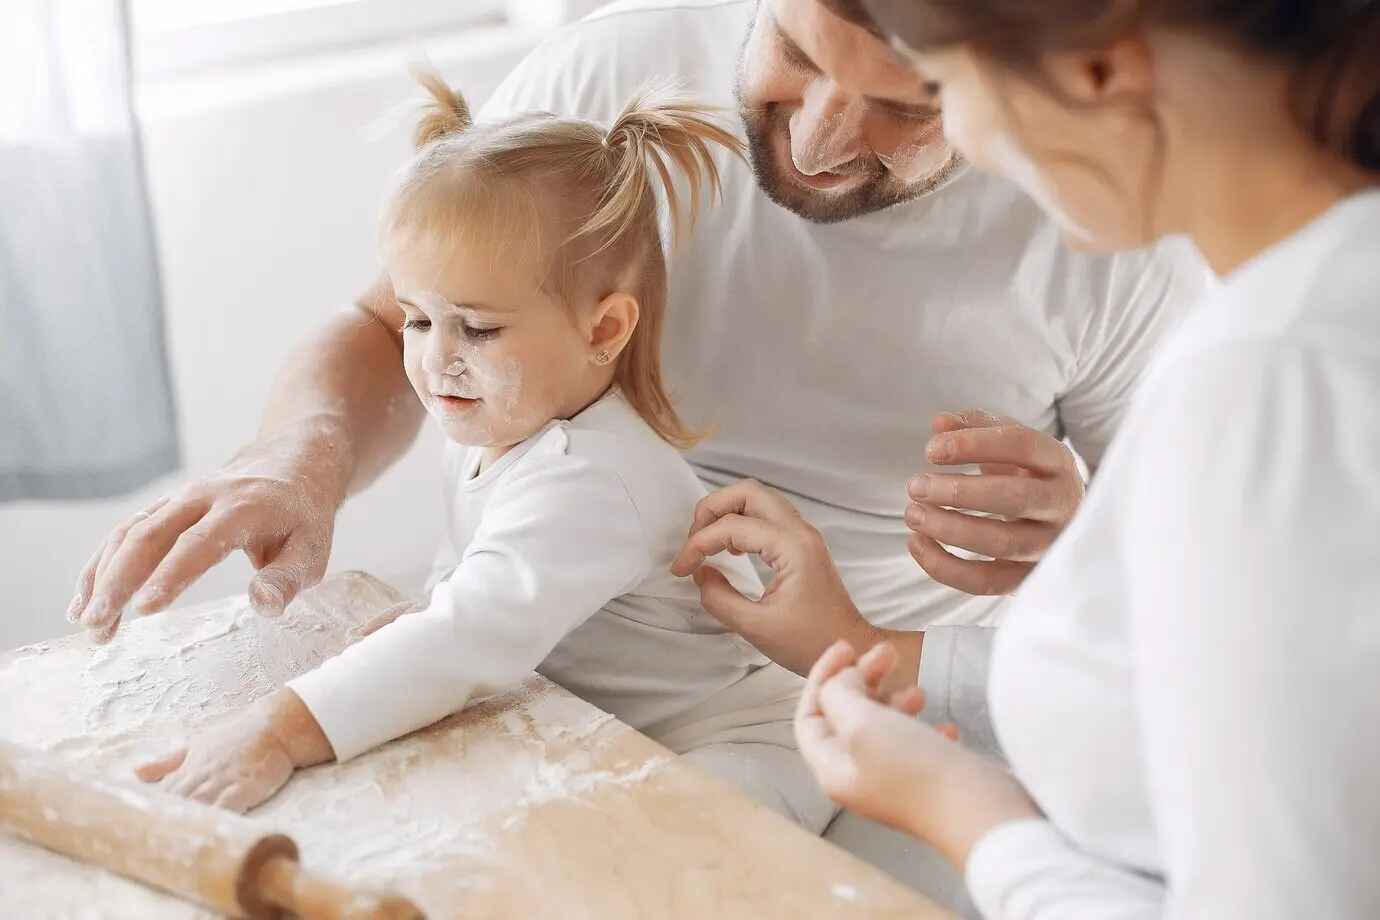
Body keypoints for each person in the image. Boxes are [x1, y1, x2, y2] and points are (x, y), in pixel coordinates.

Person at [68, 0, 1203, 647]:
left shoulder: (1108, 229)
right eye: (797, 57)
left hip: (835, 706)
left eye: (909, 109)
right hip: (507, 639)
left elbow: (1196, 569)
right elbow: (383, 326)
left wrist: (1077, 536)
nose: (814, 141)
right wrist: (297, 459)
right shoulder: (626, 62)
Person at [677, 0, 1380, 916]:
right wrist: (886, 653)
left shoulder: (1266, 379)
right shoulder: (1309, 309)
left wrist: (967, 813)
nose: (978, 145)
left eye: (943, 88)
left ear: (1097, 75)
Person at [134, 73, 834, 832]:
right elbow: (469, 578)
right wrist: (422, 616)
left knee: (641, 855)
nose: (437, 362)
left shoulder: (591, 479)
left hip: (737, 744)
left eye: (477, 327)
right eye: (417, 320)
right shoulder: (494, 420)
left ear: (603, 330)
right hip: (608, 728)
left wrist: (279, 730)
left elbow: (470, 637)